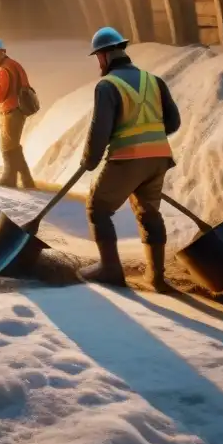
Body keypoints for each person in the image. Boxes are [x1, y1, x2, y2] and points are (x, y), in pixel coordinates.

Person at [77, 27, 181, 292]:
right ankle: (156, 278)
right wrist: (150, 136)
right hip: (159, 158)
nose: (99, 63)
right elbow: (173, 121)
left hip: (128, 158)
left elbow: (100, 129)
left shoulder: (108, 85)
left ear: (105, 55)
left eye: (98, 57)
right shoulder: (153, 80)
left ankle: (110, 270)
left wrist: (90, 160)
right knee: (149, 213)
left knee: (98, 208)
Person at [0, 37, 36, 188]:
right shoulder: (15, 65)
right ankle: (20, 179)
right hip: (20, 111)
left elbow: (0, 95)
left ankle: (12, 179)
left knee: (7, 147)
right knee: (12, 146)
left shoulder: (3, 70)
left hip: (12, 112)